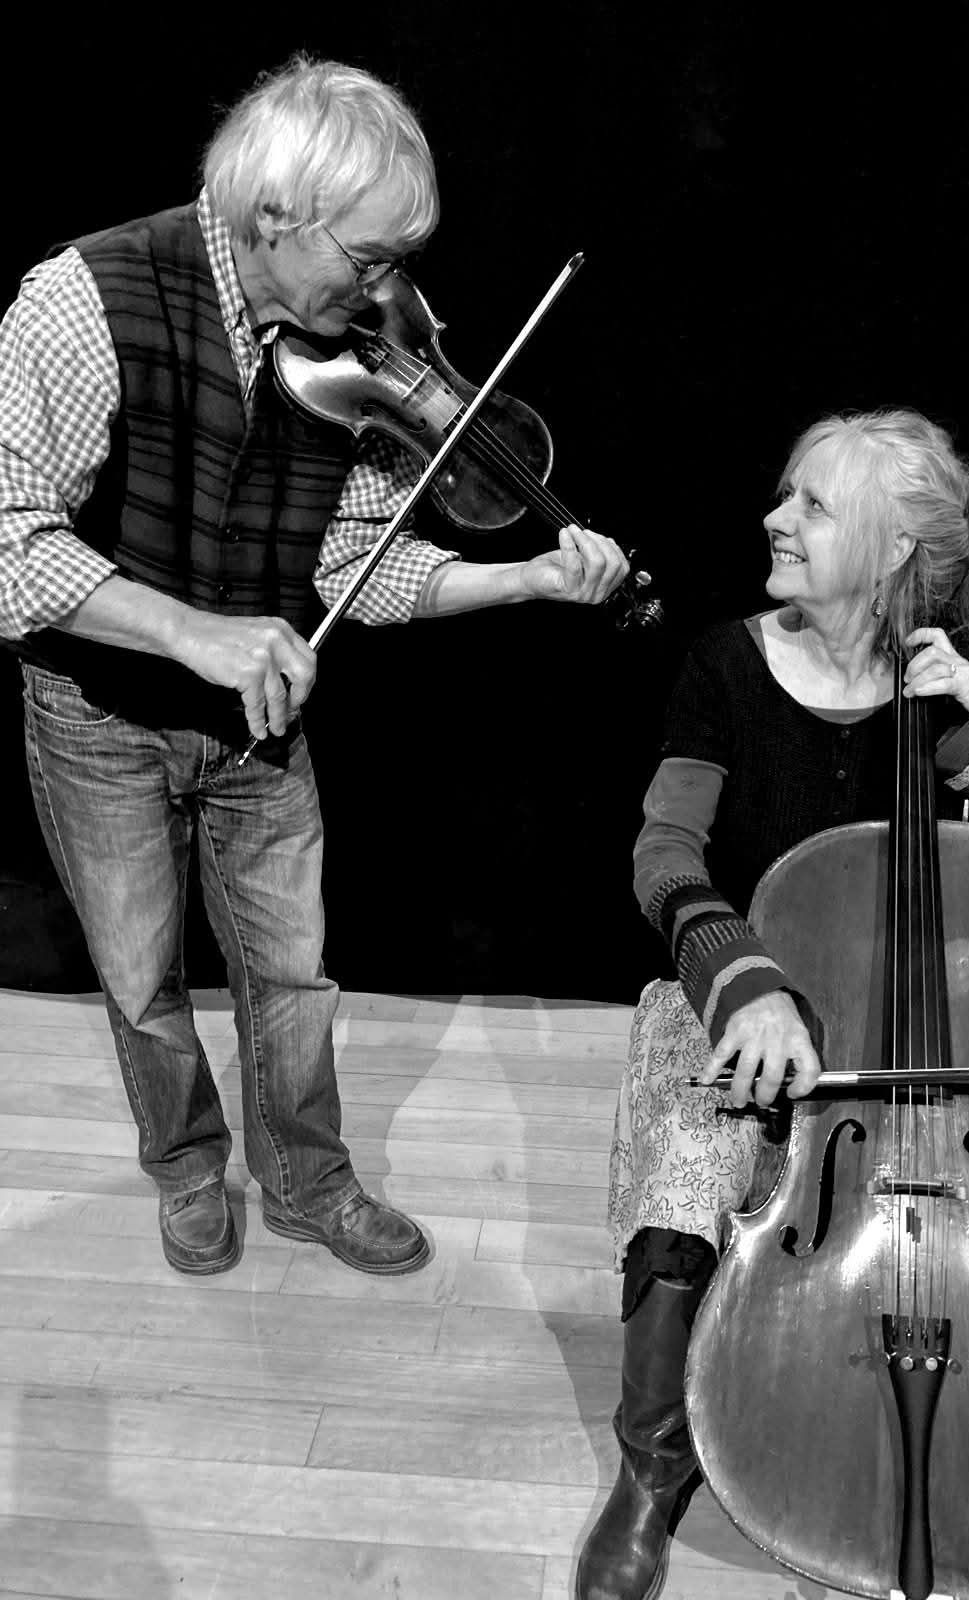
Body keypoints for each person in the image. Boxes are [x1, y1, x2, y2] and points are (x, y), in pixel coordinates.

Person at [0, 56, 627, 1279]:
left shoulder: (350, 355)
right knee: (140, 979)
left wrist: (523, 580)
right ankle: (188, 1167)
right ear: (276, 215)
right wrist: (192, 632)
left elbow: (352, 569)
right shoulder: (82, 301)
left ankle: (307, 1181)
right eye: (371, 257)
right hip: (98, 717)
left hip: (259, 725)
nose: (391, 293)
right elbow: (9, 540)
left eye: (402, 260)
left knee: (293, 977)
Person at [575, 409, 969, 1600]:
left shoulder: (944, 689)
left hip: (918, 1033)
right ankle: (653, 1464)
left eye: (813, 505)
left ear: (892, 552)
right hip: (738, 997)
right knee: (684, 1185)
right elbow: (664, 852)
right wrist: (749, 986)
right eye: (788, 494)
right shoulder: (726, 667)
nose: (775, 518)